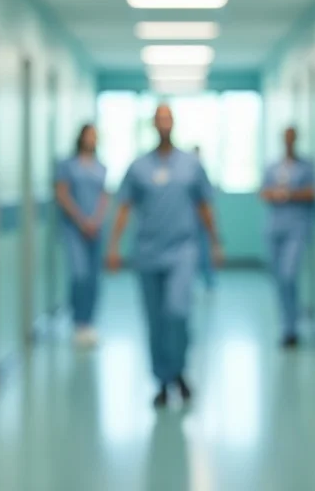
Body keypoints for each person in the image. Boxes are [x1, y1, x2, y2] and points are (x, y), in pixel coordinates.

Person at [106, 105, 223, 408]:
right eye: (159, 120)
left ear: (174, 124)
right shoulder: (138, 167)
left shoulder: (191, 165)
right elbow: (124, 207)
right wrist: (114, 246)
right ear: (153, 126)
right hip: (147, 252)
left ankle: (179, 370)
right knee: (155, 319)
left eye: (168, 119)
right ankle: (161, 379)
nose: (163, 124)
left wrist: (215, 242)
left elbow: (205, 206)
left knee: (178, 312)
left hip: (182, 250)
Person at [261, 126, 315, 349]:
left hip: (297, 228)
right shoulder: (273, 167)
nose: (288, 142)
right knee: (278, 279)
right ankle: (286, 325)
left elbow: (312, 192)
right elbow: (263, 192)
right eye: (285, 138)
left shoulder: (307, 166)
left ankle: (292, 326)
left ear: (296, 140)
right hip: (275, 228)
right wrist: (275, 194)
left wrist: (289, 194)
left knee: (289, 275)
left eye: (292, 138)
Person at [55, 123, 108, 347]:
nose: (92, 139)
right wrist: (81, 220)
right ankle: (78, 322)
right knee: (79, 275)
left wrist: (95, 220)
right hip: (74, 228)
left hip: (95, 229)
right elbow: (62, 194)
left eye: (95, 136)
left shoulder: (100, 167)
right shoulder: (68, 165)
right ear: (81, 137)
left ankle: (88, 322)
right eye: (89, 135)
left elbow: (105, 196)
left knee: (94, 278)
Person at [192, 146, 217, 293]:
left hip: (201, 223)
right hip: (190, 222)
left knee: (205, 252)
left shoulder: (200, 173)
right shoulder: (186, 173)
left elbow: (207, 203)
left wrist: (215, 236)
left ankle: (209, 280)